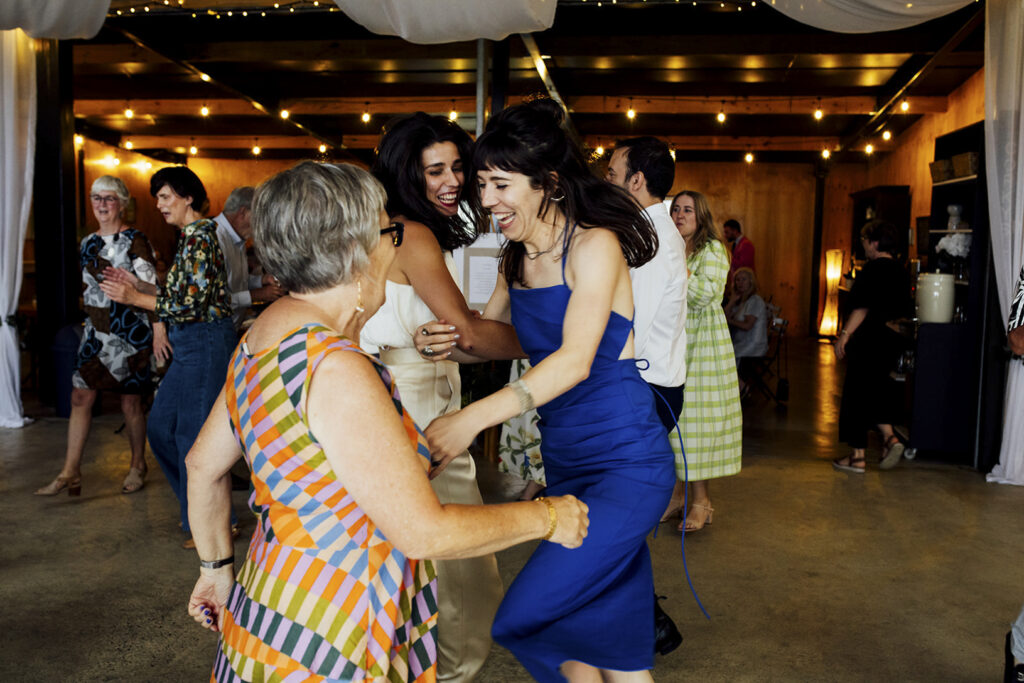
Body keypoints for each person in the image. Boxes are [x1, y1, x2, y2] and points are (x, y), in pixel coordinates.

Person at [182, 161, 588, 683]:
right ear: (356, 250)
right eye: (388, 232)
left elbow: (202, 466)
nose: (394, 246)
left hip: (270, 607)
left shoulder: (263, 333)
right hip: (335, 626)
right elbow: (423, 532)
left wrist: (215, 572)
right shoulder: (336, 368)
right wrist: (549, 517)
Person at [423, 98, 672, 682]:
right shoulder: (516, 259)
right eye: (481, 184)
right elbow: (502, 339)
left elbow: (574, 361)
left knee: (522, 618)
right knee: (610, 637)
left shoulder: (595, 247)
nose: (486, 200)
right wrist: (445, 342)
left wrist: (470, 420)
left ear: (549, 183)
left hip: (627, 462)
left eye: (500, 184)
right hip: (567, 463)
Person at [363, 112, 516, 682]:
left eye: (458, 167)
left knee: (413, 567)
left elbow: (457, 336)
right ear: (407, 175)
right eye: (435, 171)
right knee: (462, 572)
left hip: (398, 397)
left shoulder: (387, 231)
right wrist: (562, 337)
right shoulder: (415, 233)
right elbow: (473, 336)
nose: (453, 181)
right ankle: (450, 674)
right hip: (421, 412)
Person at [100, 166, 238, 547]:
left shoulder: (201, 239)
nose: (159, 205)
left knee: (192, 437)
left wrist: (134, 298)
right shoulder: (190, 238)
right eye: (157, 197)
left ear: (187, 196)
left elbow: (188, 305)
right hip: (191, 344)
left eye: (165, 196)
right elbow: (178, 294)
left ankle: (211, 524)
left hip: (204, 340)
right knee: (161, 429)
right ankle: (198, 513)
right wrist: (137, 283)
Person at [35, 175, 159, 497]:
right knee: (80, 397)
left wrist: (154, 326)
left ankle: (137, 465)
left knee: (130, 402)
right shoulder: (87, 243)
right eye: (96, 198)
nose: (101, 204)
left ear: (122, 203)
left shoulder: (136, 240)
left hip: (130, 331)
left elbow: (153, 290)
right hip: (95, 331)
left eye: (109, 198)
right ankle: (70, 471)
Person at [667, 190, 742, 533]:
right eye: (676, 209)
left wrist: (676, 262)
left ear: (701, 217)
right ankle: (677, 495)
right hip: (672, 343)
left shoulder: (712, 249)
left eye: (687, 210)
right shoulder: (669, 246)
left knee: (695, 425)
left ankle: (702, 502)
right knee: (672, 422)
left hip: (702, 344)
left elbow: (705, 295)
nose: (680, 215)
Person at [605, 136, 688, 433]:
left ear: (636, 180)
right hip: (641, 382)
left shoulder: (652, 239)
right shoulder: (644, 230)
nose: (607, 182)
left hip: (644, 387)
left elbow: (633, 322)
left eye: (612, 174)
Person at [832, 219, 910, 473]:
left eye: (865, 241)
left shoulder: (873, 270)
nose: (863, 246)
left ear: (875, 243)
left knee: (855, 394)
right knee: (876, 391)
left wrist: (844, 334)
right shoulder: (901, 270)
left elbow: (862, 307)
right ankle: (889, 438)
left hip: (869, 339)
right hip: (891, 340)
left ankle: (857, 457)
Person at [212, 186, 285, 329]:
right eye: (259, 217)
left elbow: (234, 281)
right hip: (214, 332)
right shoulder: (215, 238)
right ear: (243, 213)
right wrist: (257, 295)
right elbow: (213, 300)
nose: (261, 224)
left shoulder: (237, 238)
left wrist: (262, 280)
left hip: (230, 328)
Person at [725, 266, 769, 394]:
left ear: (751, 281)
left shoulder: (754, 300)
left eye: (744, 279)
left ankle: (742, 386)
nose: (740, 283)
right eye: (737, 280)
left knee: (723, 355)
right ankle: (736, 386)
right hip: (741, 342)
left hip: (753, 344)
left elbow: (747, 325)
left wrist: (730, 321)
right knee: (721, 352)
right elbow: (723, 316)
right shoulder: (742, 301)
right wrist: (732, 301)